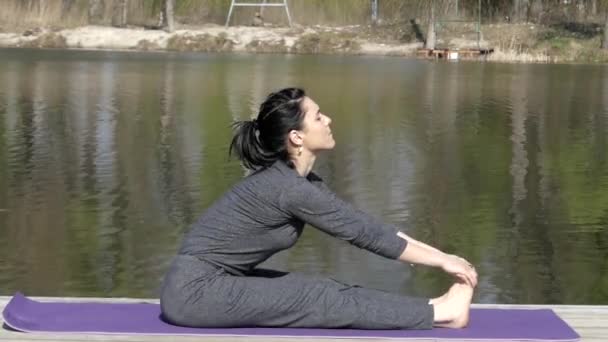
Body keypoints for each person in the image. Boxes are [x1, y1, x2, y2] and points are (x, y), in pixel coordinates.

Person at [160, 87, 478, 330]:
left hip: (209, 284)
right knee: (317, 299)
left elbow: (366, 226)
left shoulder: (301, 182)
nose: (328, 120)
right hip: (194, 293)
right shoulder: (289, 188)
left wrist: (445, 258)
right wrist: (442, 261)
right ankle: (441, 314)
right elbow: (364, 235)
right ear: (297, 137)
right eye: (318, 116)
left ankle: (436, 306)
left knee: (323, 288)